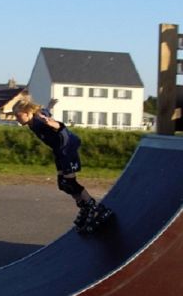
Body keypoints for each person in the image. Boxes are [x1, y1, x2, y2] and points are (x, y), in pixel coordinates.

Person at [12, 96, 112, 231]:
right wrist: (50, 105)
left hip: (67, 147)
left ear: (28, 112)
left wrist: (51, 123)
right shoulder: (35, 118)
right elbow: (46, 111)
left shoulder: (38, 120)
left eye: (18, 115)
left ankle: (95, 208)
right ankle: (85, 207)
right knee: (63, 184)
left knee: (70, 183)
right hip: (59, 151)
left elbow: (58, 126)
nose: (16, 118)